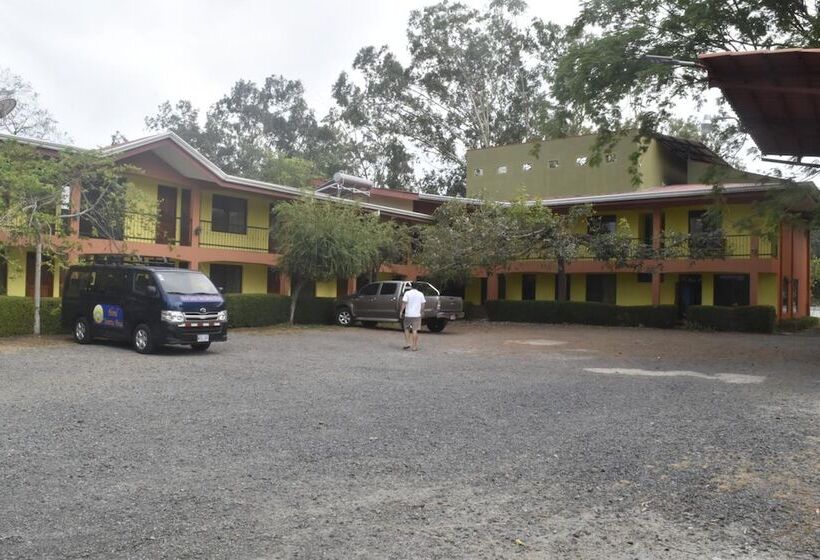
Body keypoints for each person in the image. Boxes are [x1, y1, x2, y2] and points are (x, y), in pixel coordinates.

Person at [400, 284, 426, 351]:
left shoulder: (407, 293)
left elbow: (404, 303)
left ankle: (407, 343)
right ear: (417, 287)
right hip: (417, 315)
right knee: (415, 330)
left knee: (406, 329)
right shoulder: (421, 294)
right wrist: (421, 312)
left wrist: (401, 311)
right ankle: (414, 346)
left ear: (411, 287)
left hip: (408, 314)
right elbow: (423, 304)